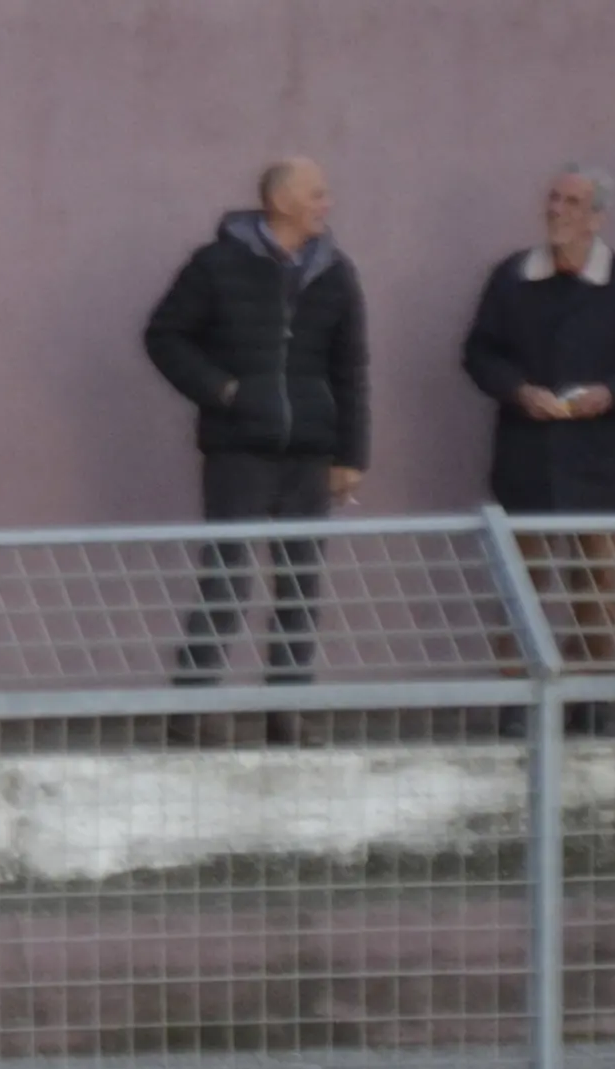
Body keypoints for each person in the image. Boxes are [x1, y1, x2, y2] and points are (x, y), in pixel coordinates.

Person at [146, 157, 370, 748]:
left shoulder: (336, 273)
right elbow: (164, 335)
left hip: (310, 454)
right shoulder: (217, 264)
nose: (327, 203)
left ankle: (286, 709)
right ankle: (192, 708)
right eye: (316, 194)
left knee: (301, 582)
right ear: (282, 201)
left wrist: (351, 454)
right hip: (238, 447)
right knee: (229, 577)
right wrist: (224, 390)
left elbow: (351, 368)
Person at [461, 166, 615, 739]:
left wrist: (611, 394)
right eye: (553, 198)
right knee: (519, 584)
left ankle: (593, 700)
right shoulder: (512, 277)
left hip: (598, 459)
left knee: (597, 585)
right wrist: (517, 391)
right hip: (526, 454)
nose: (557, 210)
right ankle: (516, 699)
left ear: (598, 217)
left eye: (573, 202)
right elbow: (479, 352)